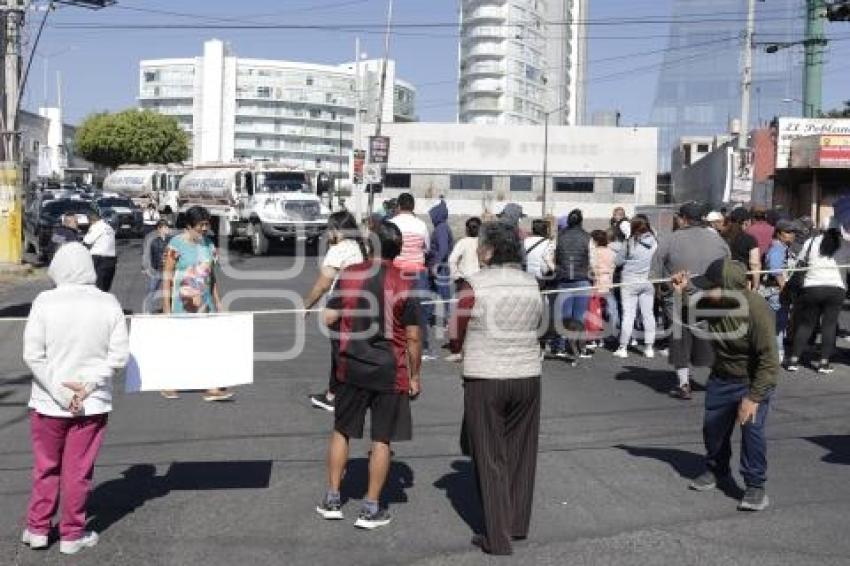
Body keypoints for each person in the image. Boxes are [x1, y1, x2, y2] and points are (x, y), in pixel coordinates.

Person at [21, 243, 130, 555]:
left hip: (47, 401)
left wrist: (59, 391)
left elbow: (33, 355)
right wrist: (87, 385)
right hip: (92, 403)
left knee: (46, 467)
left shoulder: (45, 300)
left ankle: (38, 528)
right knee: (78, 471)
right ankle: (71, 535)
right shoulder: (108, 302)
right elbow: (118, 356)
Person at [316, 220, 422, 530]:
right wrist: (415, 376)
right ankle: (371, 507)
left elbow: (330, 315)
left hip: (351, 364)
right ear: (398, 249)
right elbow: (414, 337)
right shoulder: (405, 282)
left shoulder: (350, 274)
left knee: (342, 430)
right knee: (381, 438)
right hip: (389, 368)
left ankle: (333, 498)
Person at [449, 222, 544, 556]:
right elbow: (539, 324)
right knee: (521, 451)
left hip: (485, 377)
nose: (477, 250)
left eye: (480, 246)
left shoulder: (471, 285)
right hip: (528, 375)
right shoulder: (532, 283)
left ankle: (497, 537)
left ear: (488, 250)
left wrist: (457, 347)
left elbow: (454, 332)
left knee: (489, 455)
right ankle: (516, 523)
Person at [674, 259, 779, 512]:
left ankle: (755, 485)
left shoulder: (756, 309)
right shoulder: (714, 303)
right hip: (722, 377)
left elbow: (769, 360)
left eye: (711, 287)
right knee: (713, 430)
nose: (706, 291)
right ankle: (716, 470)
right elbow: (691, 306)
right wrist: (681, 289)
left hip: (753, 380)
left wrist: (753, 398)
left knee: (751, 431)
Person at [651, 202, 730, 400]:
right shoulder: (718, 240)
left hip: (679, 297)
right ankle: (719, 379)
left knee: (680, 340)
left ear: (683, 219)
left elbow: (655, 274)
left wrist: (661, 291)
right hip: (713, 295)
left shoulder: (670, 239)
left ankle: (684, 383)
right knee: (712, 337)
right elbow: (730, 267)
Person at [161, 206, 233, 402]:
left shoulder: (209, 245)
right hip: (182, 304)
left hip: (205, 304)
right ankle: (169, 384)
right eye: (201, 225)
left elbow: (212, 277)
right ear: (188, 226)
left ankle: (212, 387)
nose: (205, 228)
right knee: (180, 344)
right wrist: (166, 308)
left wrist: (218, 302)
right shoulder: (175, 245)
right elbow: (167, 277)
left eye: (206, 224)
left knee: (208, 344)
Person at [304, 211, 368, 413]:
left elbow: (323, 284)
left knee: (340, 353)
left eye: (329, 229)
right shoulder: (361, 247)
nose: (327, 234)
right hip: (362, 304)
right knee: (350, 351)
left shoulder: (339, 250)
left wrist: (307, 305)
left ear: (337, 230)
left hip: (341, 304)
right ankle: (336, 393)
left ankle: (339, 396)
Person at [785, 220, 848, 374]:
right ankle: (824, 363)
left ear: (821, 229)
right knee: (829, 325)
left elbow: (800, 262)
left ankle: (793, 360)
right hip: (836, 288)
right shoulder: (845, 245)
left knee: (807, 324)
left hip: (812, 287)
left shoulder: (811, 241)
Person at [390, 193, 434, 359]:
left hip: (396, 271)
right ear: (413, 207)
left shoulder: (392, 223)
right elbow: (427, 247)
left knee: (394, 309)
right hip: (417, 272)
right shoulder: (421, 225)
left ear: (399, 207)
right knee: (419, 311)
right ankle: (423, 348)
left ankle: (395, 345)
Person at [614, 217, 658, 359]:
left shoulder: (629, 242)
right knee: (648, 314)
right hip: (648, 280)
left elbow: (618, 261)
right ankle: (649, 347)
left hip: (629, 282)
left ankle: (623, 347)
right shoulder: (655, 242)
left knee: (628, 315)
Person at [551, 209, 592, 361]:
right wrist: (590, 271)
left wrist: (556, 268)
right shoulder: (588, 237)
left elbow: (547, 256)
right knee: (579, 317)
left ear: (568, 221)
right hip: (582, 280)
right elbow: (593, 260)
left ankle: (560, 346)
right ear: (581, 221)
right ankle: (578, 348)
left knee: (564, 316)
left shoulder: (559, 237)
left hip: (563, 280)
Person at [760, 220, 797, 363]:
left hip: (777, 291)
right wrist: (784, 290)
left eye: (793, 232)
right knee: (777, 326)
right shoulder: (777, 248)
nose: (792, 235)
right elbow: (776, 271)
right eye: (788, 232)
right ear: (779, 233)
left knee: (778, 325)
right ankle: (777, 354)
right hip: (776, 292)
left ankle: (775, 353)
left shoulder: (782, 247)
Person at [428, 198, 454, 325]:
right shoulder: (443, 226)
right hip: (440, 265)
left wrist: (435, 265)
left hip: (440, 266)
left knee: (442, 293)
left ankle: (446, 320)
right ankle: (432, 317)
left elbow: (443, 248)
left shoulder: (441, 228)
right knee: (434, 292)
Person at [589, 229, 617, 347]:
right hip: (608, 283)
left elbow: (592, 267)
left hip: (596, 283)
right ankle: (611, 334)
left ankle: (596, 337)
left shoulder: (593, 252)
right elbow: (613, 267)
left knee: (595, 311)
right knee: (610, 310)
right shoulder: (611, 252)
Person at [723, 208, 761, 290]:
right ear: (746, 222)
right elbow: (754, 264)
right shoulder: (750, 239)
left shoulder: (722, 237)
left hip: (723, 279)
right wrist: (756, 285)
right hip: (742, 280)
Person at [83, 209, 117, 293]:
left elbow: (86, 242)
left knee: (97, 288)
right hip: (111, 260)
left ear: (90, 220)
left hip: (99, 260)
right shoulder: (109, 227)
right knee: (105, 288)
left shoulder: (96, 227)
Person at [448, 216, 482, 293]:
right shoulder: (483, 242)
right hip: (480, 280)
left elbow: (451, 260)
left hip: (466, 280)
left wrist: (457, 276)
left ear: (466, 230)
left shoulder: (463, 242)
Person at [144, 220, 171, 314]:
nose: (168, 229)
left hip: (168, 270)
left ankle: (167, 309)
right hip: (157, 270)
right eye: (165, 227)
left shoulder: (171, 240)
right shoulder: (153, 241)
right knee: (152, 290)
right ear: (159, 229)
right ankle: (148, 309)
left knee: (168, 290)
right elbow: (149, 256)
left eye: (168, 227)